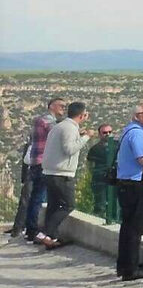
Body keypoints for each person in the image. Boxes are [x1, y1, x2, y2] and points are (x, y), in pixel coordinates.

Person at [39, 101, 94, 249]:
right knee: (68, 205)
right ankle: (46, 233)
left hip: (49, 172)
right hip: (61, 174)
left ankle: (51, 237)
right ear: (82, 115)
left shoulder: (59, 126)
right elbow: (69, 149)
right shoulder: (69, 128)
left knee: (54, 205)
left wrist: (79, 134)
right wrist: (86, 137)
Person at [11, 98, 64, 241]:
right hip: (43, 164)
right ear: (52, 106)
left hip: (34, 163)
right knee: (38, 198)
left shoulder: (39, 120)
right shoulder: (48, 122)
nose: (63, 109)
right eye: (61, 106)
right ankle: (33, 231)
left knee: (32, 198)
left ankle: (27, 229)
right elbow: (59, 136)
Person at [114, 101, 143, 281]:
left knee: (128, 227)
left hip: (126, 184)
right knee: (136, 228)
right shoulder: (138, 134)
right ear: (137, 116)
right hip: (136, 185)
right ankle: (131, 268)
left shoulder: (129, 131)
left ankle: (125, 266)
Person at [85, 123, 117, 218]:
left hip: (115, 180)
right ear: (100, 134)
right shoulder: (95, 149)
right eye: (105, 132)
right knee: (100, 205)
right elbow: (90, 165)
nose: (108, 134)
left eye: (110, 132)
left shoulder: (118, 146)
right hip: (100, 180)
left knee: (115, 205)